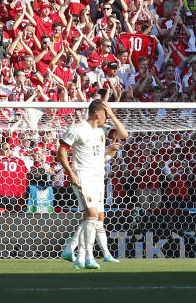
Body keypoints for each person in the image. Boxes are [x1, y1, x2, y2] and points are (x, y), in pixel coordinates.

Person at [58, 99, 128, 269]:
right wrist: (70, 173)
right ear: (98, 115)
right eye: (106, 116)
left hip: (98, 179)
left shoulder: (101, 130)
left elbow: (124, 134)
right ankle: (86, 256)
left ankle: (78, 255)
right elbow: (61, 152)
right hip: (83, 178)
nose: (107, 119)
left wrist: (111, 114)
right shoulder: (76, 130)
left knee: (94, 218)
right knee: (91, 216)